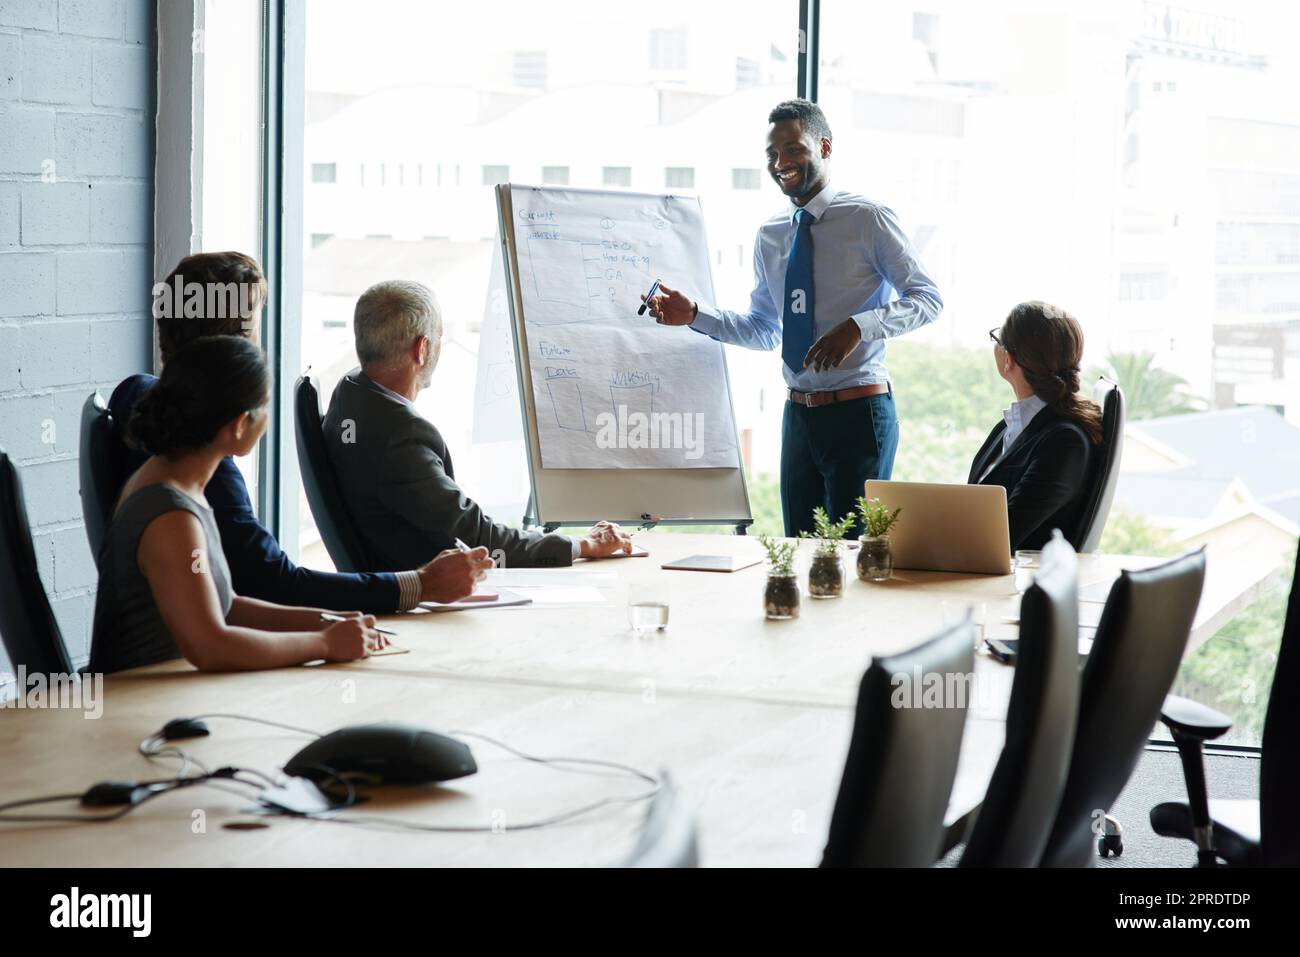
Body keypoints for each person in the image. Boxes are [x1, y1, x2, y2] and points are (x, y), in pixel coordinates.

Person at [108, 251, 491, 614]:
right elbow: (273, 583)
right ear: (236, 352)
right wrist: (419, 585)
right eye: (255, 329)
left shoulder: (135, 398)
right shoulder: (202, 465)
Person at [644, 98, 942, 537]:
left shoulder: (867, 219)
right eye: (771, 154)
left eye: (792, 149)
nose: (780, 163)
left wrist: (859, 327)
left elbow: (927, 299)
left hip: (859, 413)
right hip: (798, 416)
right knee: (799, 554)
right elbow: (765, 330)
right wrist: (694, 315)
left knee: (851, 557)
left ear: (824, 146)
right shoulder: (771, 235)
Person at [89, 337, 447, 673]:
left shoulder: (177, 478)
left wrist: (327, 621)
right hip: (142, 703)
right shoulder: (172, 517)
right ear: (240, 425)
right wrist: (323, 644)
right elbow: (210, 645)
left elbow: (227, 605)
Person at [323, 280, 634, 569]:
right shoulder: (401, 437)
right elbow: (480, 542)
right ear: (423, 349)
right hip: (424, 595)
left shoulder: (350, 392)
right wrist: (584, 544)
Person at [968, 301, 1103, 551]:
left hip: (1015, 581)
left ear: (1008, 359)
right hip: (978, 568)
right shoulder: (1009, 427)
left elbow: (1004, 534)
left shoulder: (1064, 442)